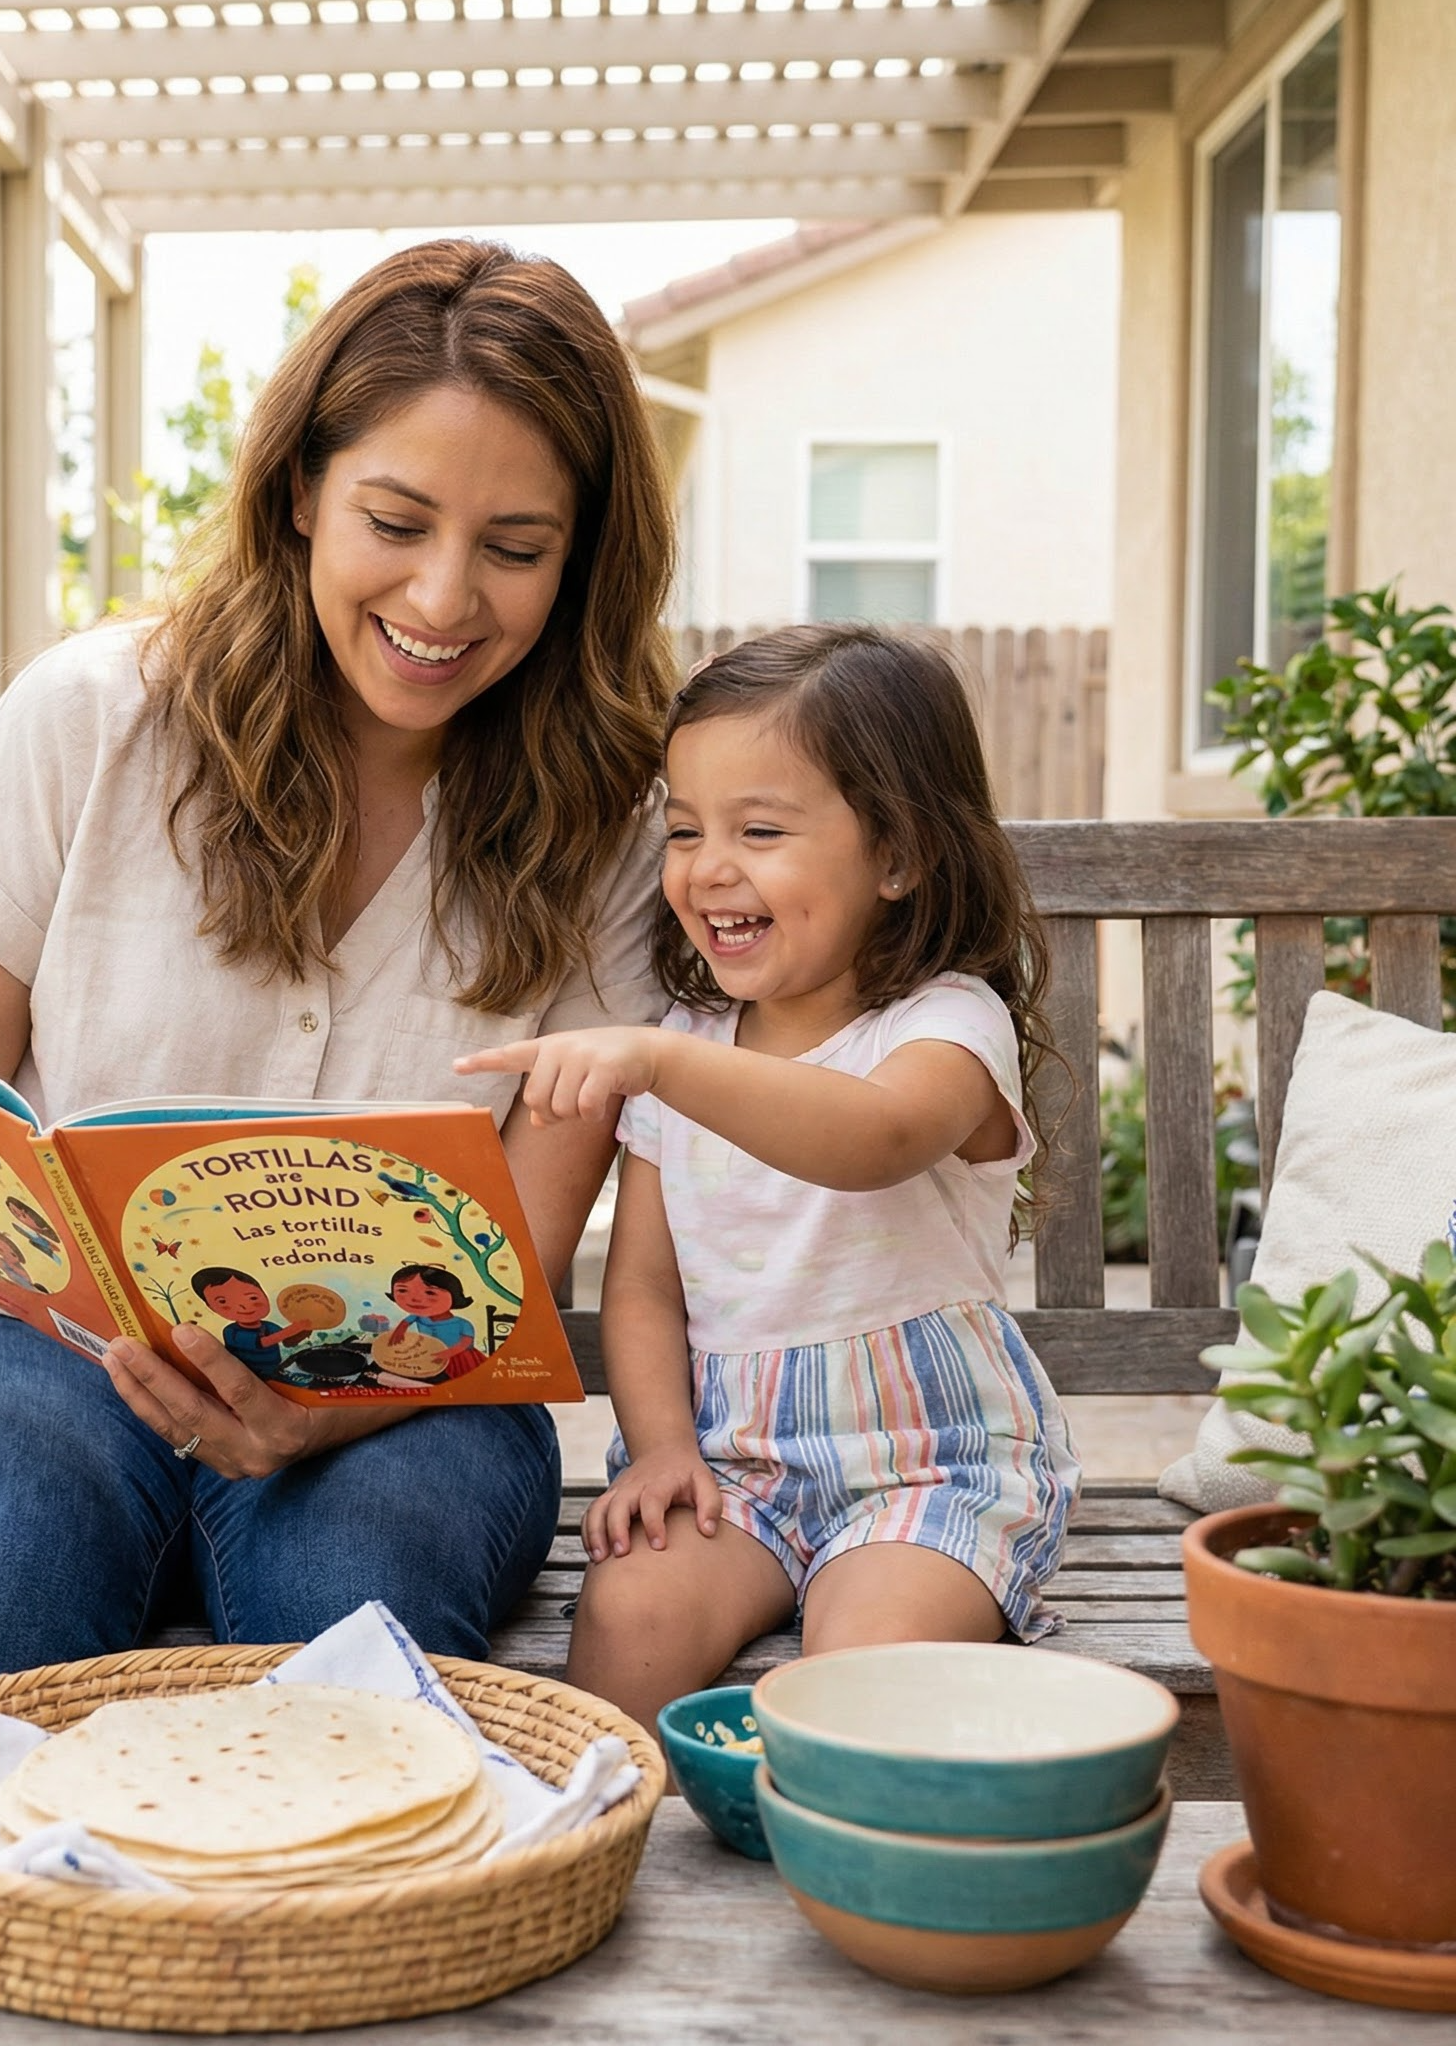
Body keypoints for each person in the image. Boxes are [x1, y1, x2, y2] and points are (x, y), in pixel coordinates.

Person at [0, 239, 677, 1709]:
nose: (444, 597)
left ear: (581, 559)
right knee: (5, 1564)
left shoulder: (608, 827)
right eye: (395, 519)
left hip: (405, 1399)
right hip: (25, 1350)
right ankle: (1, 1933)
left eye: (514, 546)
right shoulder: (93, 718)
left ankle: (345, 1939)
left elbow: (512, 1278)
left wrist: (315, 1418)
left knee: (365, 1612)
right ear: (302, 490)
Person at [458, 627, 1082, 1738]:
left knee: (862, 1658)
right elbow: (644, 1287)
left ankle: (844, 1863)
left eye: (759, 830)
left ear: (894, 855)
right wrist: (658, 1449)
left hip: (928, 1463)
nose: (706, 866)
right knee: (630, 1618)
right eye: (684, 829)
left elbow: (872, 1136)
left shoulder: (944, 1024)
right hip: (733, 1462)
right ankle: (617, 1857)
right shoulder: (690, 1039)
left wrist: (660, 1061)